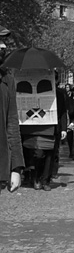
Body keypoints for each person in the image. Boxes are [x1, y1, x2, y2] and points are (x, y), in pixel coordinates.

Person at [0, 28, 23, 193]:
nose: (2, 46)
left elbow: (12, 124)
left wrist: (16, 166)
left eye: (3, 42)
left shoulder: (7, 80)